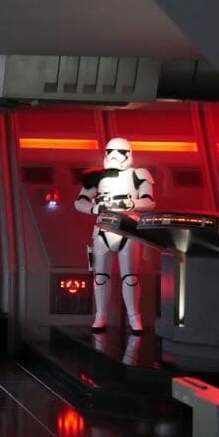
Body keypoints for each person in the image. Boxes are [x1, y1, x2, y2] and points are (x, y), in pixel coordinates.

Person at [73, 137, 156, 333]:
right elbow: (79, 201)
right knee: (100, 276)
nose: (115, 157)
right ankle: (101, 315)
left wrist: (129, 205)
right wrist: (94, 209)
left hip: (128, 226)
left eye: (121, 152)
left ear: (129, 154)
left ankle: (134, 317)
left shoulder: (138, 174)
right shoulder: (98, 176)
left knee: (130, 276)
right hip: (102, 228)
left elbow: (149, 201)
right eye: (111, 152)